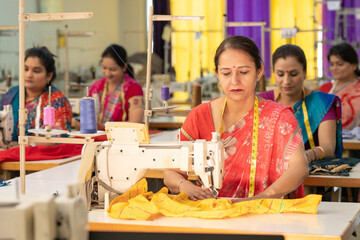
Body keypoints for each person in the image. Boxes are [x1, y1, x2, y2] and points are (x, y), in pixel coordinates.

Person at [164, 36, 308, 201]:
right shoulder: (199, 115)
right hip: (211, 214)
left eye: (244, 72)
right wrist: (185, 186)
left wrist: (261, 198)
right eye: (226, 73)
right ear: (217, 74)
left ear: (259, 72)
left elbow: (299, 167)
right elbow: (171, 171)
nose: (234, 81)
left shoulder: (279, 117)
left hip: (265, 214)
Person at [258, 44, 343, 162]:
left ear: (304, 72)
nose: (287, 81)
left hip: (312, 173)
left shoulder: (322, 102)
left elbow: (328, 147)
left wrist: (306, 156)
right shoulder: (262, 102)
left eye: (293, 74)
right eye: (280, 74)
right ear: (274, 73)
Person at [0, 47, 72, 149]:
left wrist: (26, 145)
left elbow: (59, 139)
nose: (29, 75)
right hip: (10, 156)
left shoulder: (57, 101)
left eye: (36, 71)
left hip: (43, 160)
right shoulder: (11, 95)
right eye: (26, 69)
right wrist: (4, 143)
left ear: (49, 76)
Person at [88, 44, 144, 130]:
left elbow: (135, 124)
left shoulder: (134, 89)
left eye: (113, 69)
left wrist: (104, 127)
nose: (107, 73)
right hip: (96, 138)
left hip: (122, 139)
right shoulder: (96, 87)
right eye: (104, 68)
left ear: (124, 67)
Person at [318, 43, 360, 130]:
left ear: (354, 65)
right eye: (332, 64)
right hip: (325, 140)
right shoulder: (324, 89)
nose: (334, 68)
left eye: (340, 64)